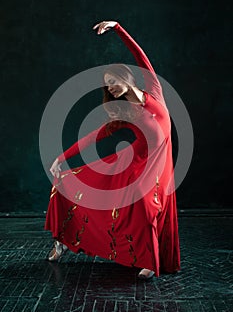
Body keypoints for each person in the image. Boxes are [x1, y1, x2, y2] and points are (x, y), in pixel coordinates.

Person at [45, 20, 180, 280]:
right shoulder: (124, 113)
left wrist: (118, 28)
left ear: (126, 78)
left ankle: (150, 258)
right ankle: (63, 240)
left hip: (160, 168)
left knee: (147, 209)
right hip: (136, 166)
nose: (111, 87)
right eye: (107, 85)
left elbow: (140, 55)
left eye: (114, 81)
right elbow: (92, 138)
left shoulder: (154, 91)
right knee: (80, 186)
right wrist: (62, 158)